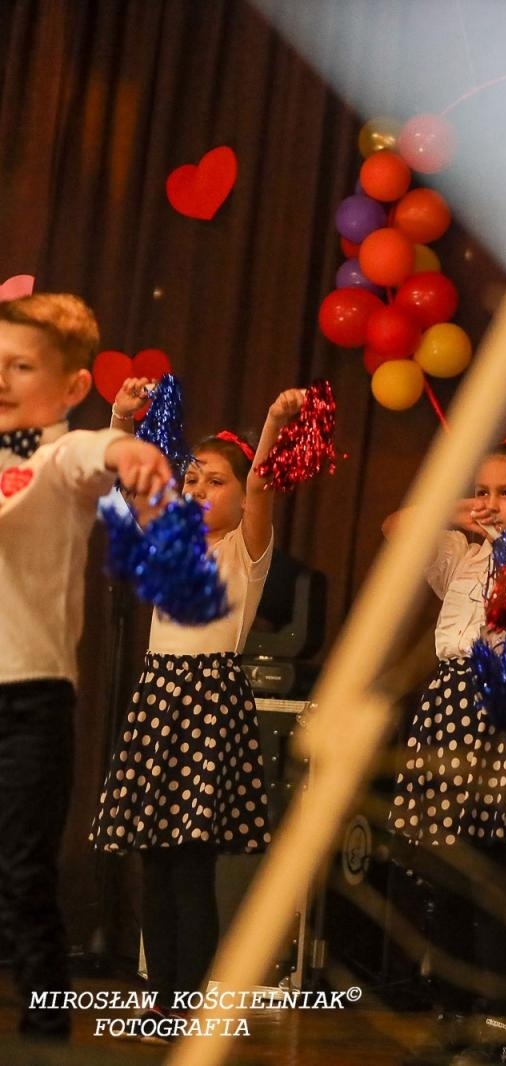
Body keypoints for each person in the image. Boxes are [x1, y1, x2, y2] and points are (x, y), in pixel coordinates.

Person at [90, 383, 304, 1040]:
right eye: (193, 476)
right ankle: (160, 1000)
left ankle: (190, 1004)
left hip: (210, 702)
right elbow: (121, 484)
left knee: (191, 863)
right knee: (155, 859)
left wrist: (270, 418)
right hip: (161, 699)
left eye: (218, 480)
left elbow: (266, 481)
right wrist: (124, 418)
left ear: (241, 498)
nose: (200, 487)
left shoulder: (244, 551)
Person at [0, 293, 171, 1041]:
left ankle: (44, 1036)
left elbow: (91, 457)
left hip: (25, 702)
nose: (1, 378)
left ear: (71, 387)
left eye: (21, 366)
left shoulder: (57, 455)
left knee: (20, 877)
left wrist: (125, 447)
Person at [384, 438, 506, 1062]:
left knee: (494, 876)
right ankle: (453, 1011)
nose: (491, 504)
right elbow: (396, 527)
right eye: (483, 490)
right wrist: (454, 513)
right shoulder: (459, 555)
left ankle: (499, 1024)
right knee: (447, 872)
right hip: (447, 709)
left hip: (505, 709)